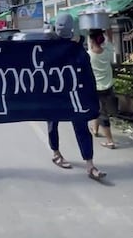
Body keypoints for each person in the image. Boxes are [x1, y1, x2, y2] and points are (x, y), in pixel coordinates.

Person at [47, 13, 106, 181]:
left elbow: (86, 70)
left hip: (74, 93)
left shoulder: (77, 46)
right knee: (53, 123)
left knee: (81, 125)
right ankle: (56, 152)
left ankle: (89, 163)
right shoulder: (48, 44)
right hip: (53, 92)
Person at [88, 28, 119, 149]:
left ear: (91, 40)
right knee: (99, 110)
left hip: (97, 89)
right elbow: (111, 40)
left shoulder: (89, 56)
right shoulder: (107, 51)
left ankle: (110, 141)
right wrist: (108, 29)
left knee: (102, 114)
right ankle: (95, 130)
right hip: (108, 86)